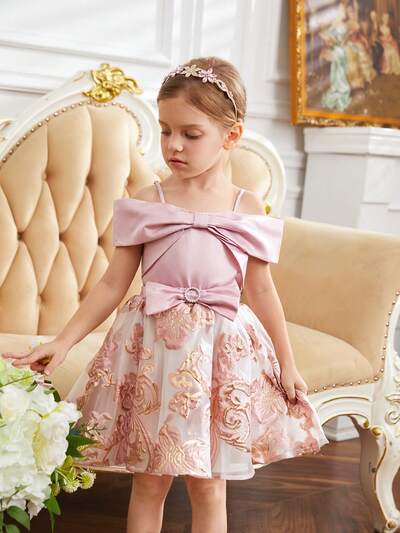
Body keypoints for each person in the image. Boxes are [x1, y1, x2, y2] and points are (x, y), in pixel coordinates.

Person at [2, 56, 329, 533]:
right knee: (149, 482)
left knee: (209, 485)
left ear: (231, 135)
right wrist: (63, 341)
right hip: (154, 352)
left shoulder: (246, 207)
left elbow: (261, 290)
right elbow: (112, 284)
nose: (174, 145)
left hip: (218, 357)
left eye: (191, 134)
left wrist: (288, 362)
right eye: (165, 131)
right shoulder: (148, 203)